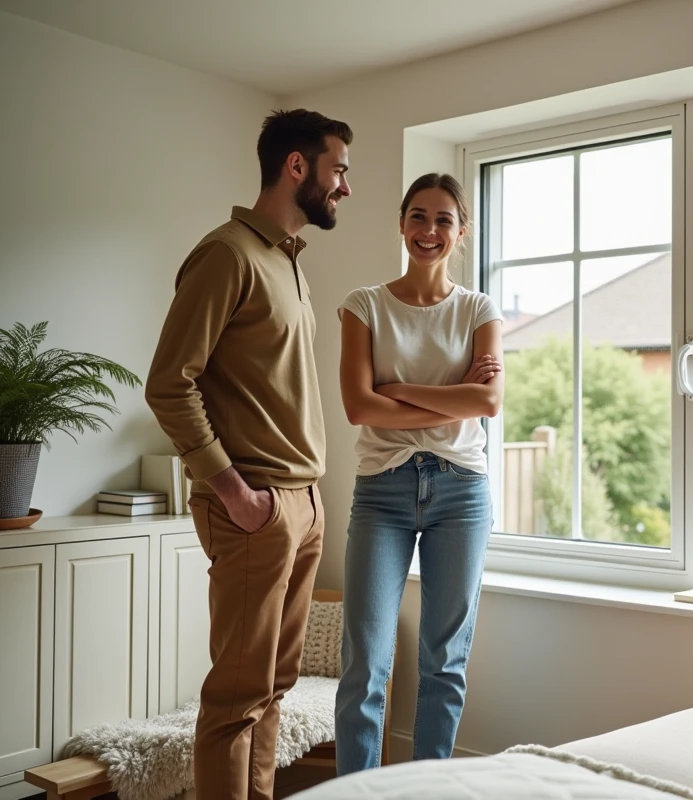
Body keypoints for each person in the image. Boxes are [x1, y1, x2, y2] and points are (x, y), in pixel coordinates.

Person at [144, 108, 352, 800]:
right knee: (236, 697)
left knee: (273, 690)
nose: (344, 187)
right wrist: (232, 490)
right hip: (254, 507)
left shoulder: (289, 263)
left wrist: (305, 504)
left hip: (304, 503)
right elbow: (170, 384)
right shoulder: (227, 253)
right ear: (298, 166)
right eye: (338, 170)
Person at [334, 172, 503, 773]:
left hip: (462, 490)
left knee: (445, 660)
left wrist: (398, 388)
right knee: (366, 660)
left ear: (461, 232)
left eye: (442, 220)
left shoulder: (479, 309)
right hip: (382, 490)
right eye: (418, 217)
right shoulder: (364, 305)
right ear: (402, 223)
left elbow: (486, 404)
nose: (428, 231)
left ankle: (427, 789)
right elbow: (359, 407)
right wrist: (450, 393)